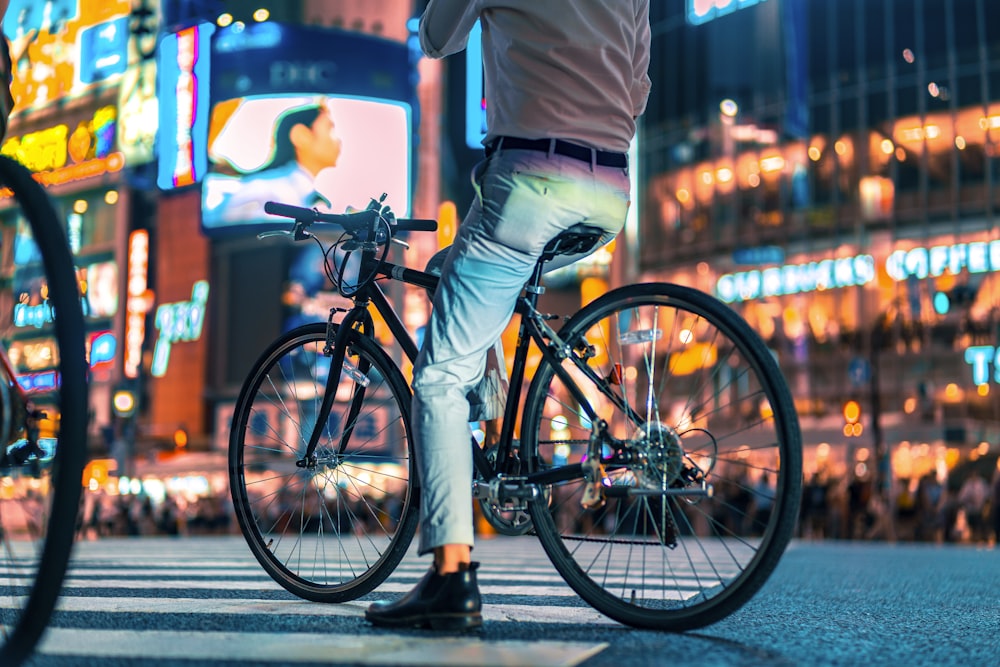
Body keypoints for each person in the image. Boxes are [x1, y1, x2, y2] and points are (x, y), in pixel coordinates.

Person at [364, 0, 651, 631]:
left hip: (530, 178)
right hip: (609, 189)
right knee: (449, 272)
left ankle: (450, 574)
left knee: (437, 377)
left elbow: (437, 38)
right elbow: (639, 83)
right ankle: (492, 426)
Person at [203, 101, 343, 226]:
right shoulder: (264, 192)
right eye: (330, 128)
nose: (339, 139)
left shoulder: (313, 198)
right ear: (301, 136)